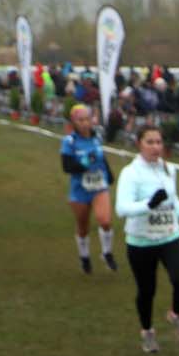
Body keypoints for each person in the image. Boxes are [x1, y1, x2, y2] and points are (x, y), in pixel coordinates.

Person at [114, 125, 179, 354]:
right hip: (141, 242)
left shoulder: (168, 169)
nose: (155, 147)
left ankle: (175, 314)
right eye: (149, 142)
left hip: (170, 236)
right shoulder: (130, 174)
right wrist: (148, 204)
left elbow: (172, 198)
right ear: (139, 144)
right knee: (147, 290)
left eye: (158, 142)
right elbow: (122, 209)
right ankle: (147, 332)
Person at [60, 105, 118, 275]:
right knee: (83, 226)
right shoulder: (69, 141)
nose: (85, 123)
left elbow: (101, 157)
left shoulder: (96, 137)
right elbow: (66, 167)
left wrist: (109, 174)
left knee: (105, 220)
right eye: (81, 120)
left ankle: (107, 253)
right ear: (74, 122)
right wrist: (84, 162)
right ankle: (84, 256)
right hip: (80, 190)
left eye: (88, 119)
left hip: (99, 186)